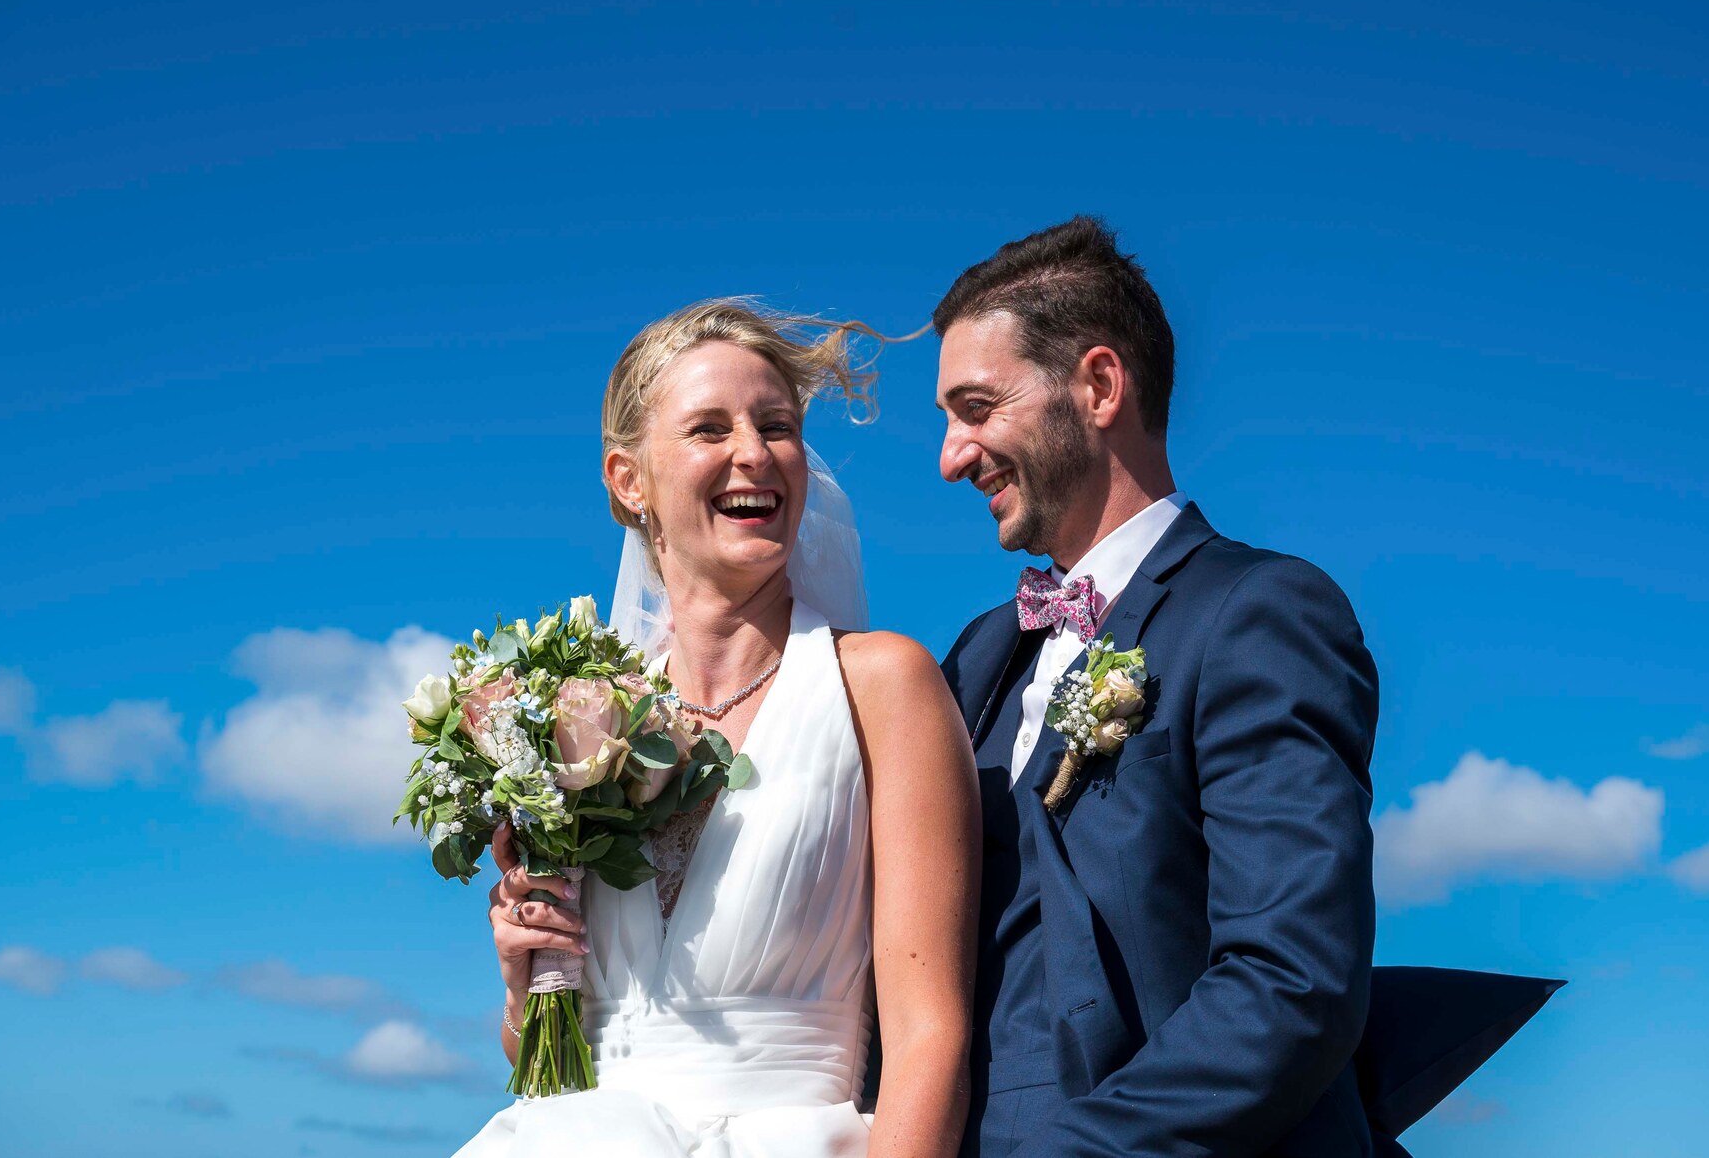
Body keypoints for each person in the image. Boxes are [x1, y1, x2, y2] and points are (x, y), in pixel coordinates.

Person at [456, 300, 980, 1158]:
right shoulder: (574, 719)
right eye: (710, 428)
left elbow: (931, 1037)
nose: (754, 453)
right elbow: (547, 1061)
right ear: (630, 481)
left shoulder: (882, 685)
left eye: (777, 426)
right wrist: (526, 985)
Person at [935, 216, 1385, 1157]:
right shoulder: (975, 656)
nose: (952, 455)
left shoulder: (1260, 613)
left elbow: (1290, 979)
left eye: (976, 408)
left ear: (1098, 386)